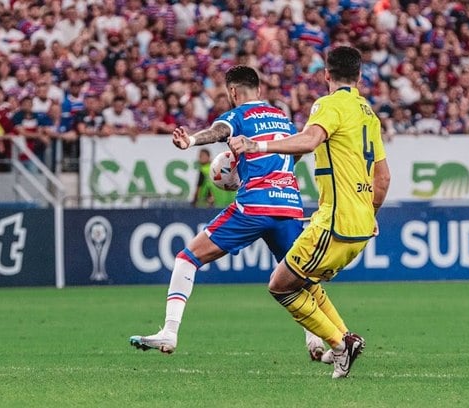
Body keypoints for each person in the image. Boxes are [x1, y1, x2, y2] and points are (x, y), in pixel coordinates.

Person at [129, 65, 326, 359]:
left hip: (254, 205)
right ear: (259, 89)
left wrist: (191, 141)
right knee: (299, 277)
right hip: (288, 205)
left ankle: (169, 331)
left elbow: (218, 132)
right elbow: (295, 152)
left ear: (233, 92)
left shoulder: (239, 116)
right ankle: (319, 342)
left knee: (187, 258)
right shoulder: (282, 118)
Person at [229, 46, 391, 378]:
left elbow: (308, 140)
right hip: (361, 224)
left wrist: (258, 145)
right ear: (359, 76)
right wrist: (370, 212)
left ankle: (339, 343)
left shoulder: (328, 106)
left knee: (281, 285)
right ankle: (344, 340)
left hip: (335, 222)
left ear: (327, 75)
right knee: (306, 282)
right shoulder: (368, 113)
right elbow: (384, 178)